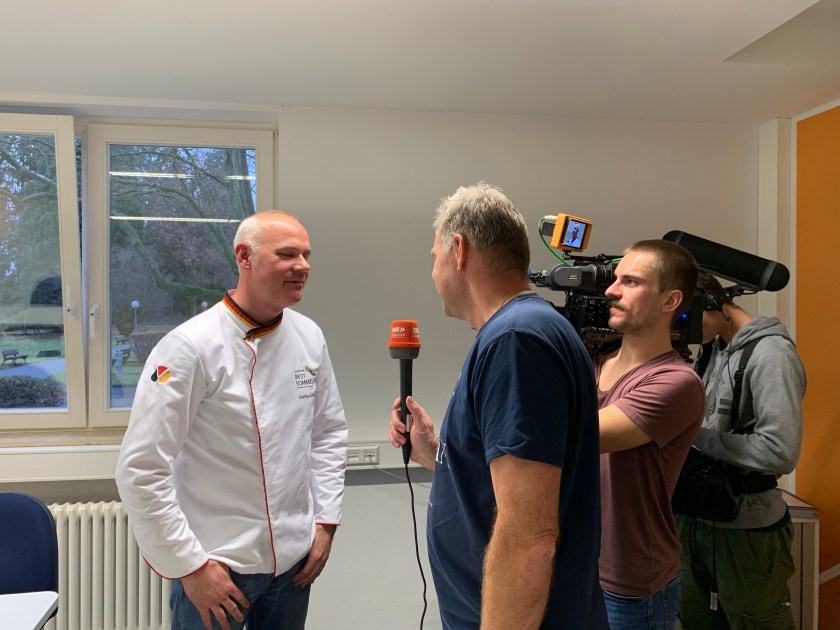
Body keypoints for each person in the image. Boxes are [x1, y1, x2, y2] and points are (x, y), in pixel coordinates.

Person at [387, 182, 608, 629]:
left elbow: (530, 537)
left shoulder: (516, 341)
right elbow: (511, 482)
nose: (433, 272)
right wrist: (435, 453)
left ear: (458, 250)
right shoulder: (524, 330)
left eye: (435, 257)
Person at [116, 211, 348, 630]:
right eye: (287, 254)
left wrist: (325, 522)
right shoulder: (189, 347)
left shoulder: (309, 337)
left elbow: (327, 433)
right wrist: (190, 567)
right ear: (245, 256)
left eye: (307, 255)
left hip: (293, 564)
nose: (303, 266)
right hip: (218, 567)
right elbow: (141, 469)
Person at [677, 272, 806, 629]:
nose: (682, 331)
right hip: (696, 516)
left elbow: (780, 451)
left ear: (711, 303)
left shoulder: (772, 355)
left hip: (746, 528)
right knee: (694, 619)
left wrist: (694, 436)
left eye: (685, 318)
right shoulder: (714, 349)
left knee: (757, 620)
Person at [595, 239, 706, 630]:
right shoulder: (591, 362)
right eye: (615, 279)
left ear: (670, 301)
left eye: (631, 281)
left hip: (630, 584)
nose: (611, 290)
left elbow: (581, 436)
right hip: (577, 565)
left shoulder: (677, 382)